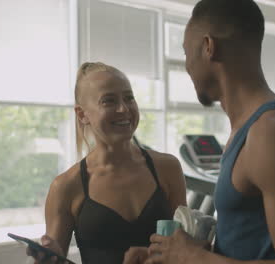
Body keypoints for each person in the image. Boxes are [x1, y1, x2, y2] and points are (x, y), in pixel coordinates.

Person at [145, 0, 275, 263]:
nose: (187, 66)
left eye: (186, 53)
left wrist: (194, 257)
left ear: (208, 47)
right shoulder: (248, 131)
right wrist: (180, 253)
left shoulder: (273, 135)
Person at [27, 62, 187, 264]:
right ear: (82, 114)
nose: (124, 109)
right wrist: (49, 257)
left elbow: (187, 250)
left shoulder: (167, 168)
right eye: (109, 101)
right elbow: (54, 258)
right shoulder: (66, 187)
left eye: (129, 98)